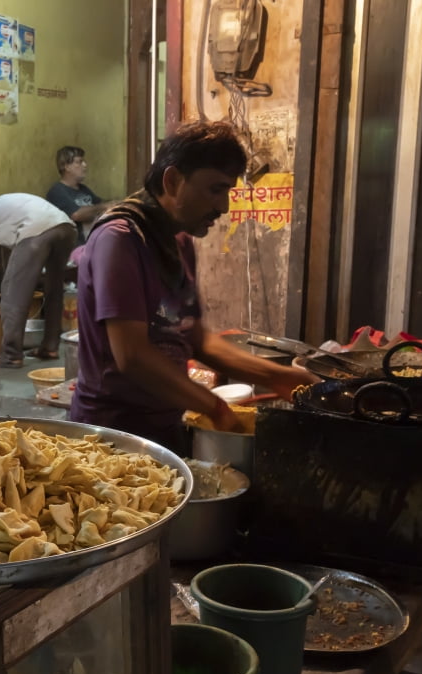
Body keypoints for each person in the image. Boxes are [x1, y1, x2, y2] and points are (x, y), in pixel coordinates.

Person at [69, 121, 315, 453]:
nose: (224, 207)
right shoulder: (120, 239)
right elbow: (132, 356)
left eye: (228, 191)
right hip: (111, 436)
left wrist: (277, 376)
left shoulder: (178, 241)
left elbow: (195, 338)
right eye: (215, 189)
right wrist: (213, 405)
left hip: (165, 426)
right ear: (172, 181)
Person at [0, 192, 76, 368]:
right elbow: (11, 256)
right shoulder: (0, 209)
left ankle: (11, 356)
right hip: (65, 228)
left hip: (37, 229)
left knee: (12, 296)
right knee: (53, 289)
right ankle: (50, 347)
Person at [45, 146, 115, 244]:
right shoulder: (57, 191)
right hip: (76, 247)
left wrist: (116, 203)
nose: (85, 165)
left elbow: (100, 203)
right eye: (79, 162)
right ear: (67, 167)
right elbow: (76, 214)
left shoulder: (83, 189)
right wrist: (102, 207)